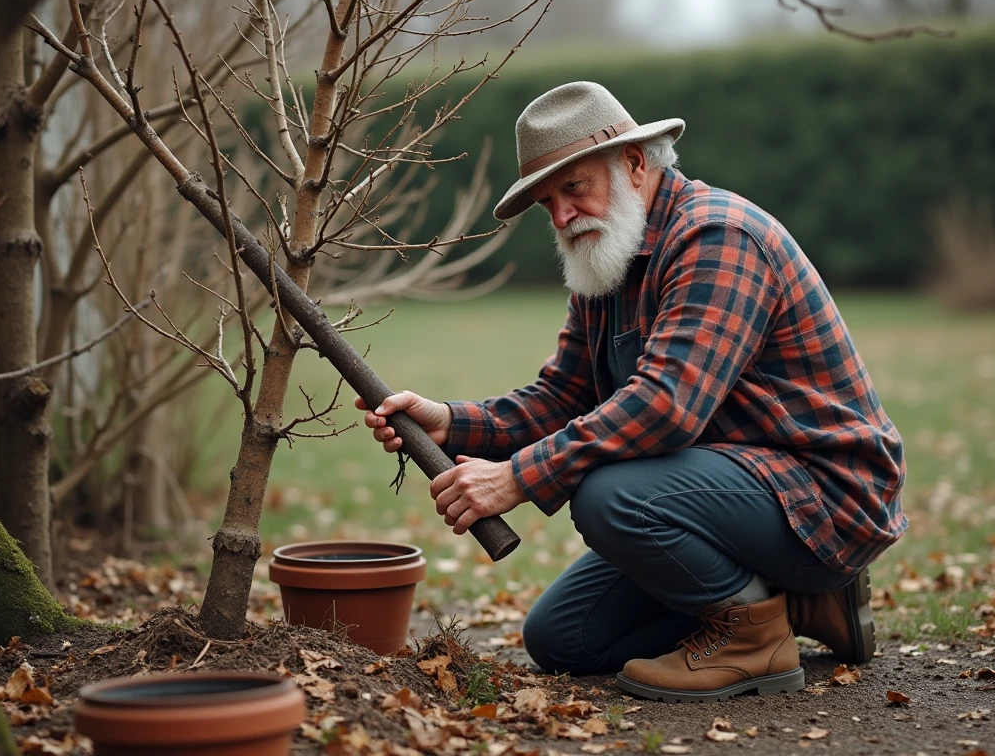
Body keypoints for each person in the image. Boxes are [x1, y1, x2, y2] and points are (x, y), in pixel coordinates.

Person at [355, 81, 906, 703]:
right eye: (546, 202)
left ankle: (755, 641)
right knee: (565, 639)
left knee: (609, 494)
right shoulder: (610, 261)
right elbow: (561, 397)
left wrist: (516, 477)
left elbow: (666, 408)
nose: (562, 215)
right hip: (733, 496)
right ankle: (804, 604)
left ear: (635, 163)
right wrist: (451, 423)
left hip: (825, 498)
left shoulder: (717, 237)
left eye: (574, 187)